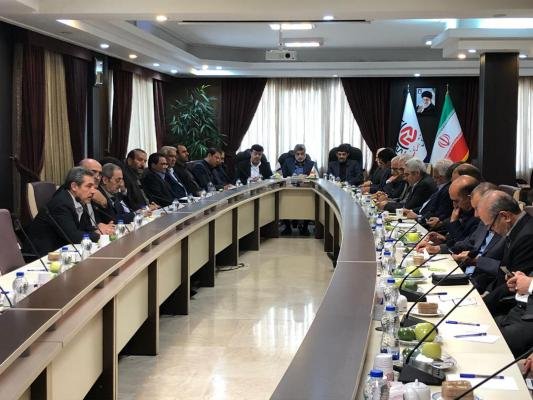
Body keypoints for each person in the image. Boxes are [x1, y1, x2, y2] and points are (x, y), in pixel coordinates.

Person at [26, 167, 115, 256]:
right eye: (88, 186)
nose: (93, 191)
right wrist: (99, 235)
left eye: (94, 187)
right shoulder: (61, 203)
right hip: (44, 255)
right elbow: (73, 236)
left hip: (64, 250)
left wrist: (99, 229)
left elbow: (84, 227)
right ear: (74, 186)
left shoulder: (78, 200)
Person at [477, 191, 533, 317]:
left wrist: (483, 303)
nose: (491, 231)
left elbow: (514, 285)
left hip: (517, 309)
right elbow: (504, 273)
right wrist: (487, 292)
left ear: (505, 216)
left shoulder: (527, 237)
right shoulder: (516, 229)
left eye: (491, 226)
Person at [415, 175, 479, 254]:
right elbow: (458, 241)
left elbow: (465, 246)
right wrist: (444, 239)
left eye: (456, 201)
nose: (454, 205)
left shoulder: (478, 217)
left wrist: (454, 222)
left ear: (469, 198)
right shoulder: (463, 211)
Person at [403, 158, 453, 225]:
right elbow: (425, 207)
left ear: (443, 176)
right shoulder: (440, 187)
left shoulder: (446, 190)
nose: (434, 180)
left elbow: (436, 214)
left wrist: (418, 217)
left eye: (436, 177)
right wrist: (411, 211)